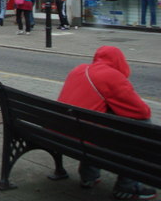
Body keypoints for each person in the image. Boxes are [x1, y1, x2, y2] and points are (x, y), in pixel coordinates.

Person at [58, 46, 156, 200]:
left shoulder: (79, 69)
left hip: (59, 134)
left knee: (90, 126)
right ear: (120, 61)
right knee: (140, 130)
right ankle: (127, 186)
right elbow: (142, 112)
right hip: (84, 137)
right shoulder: (110, 75)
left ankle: (88, 176)